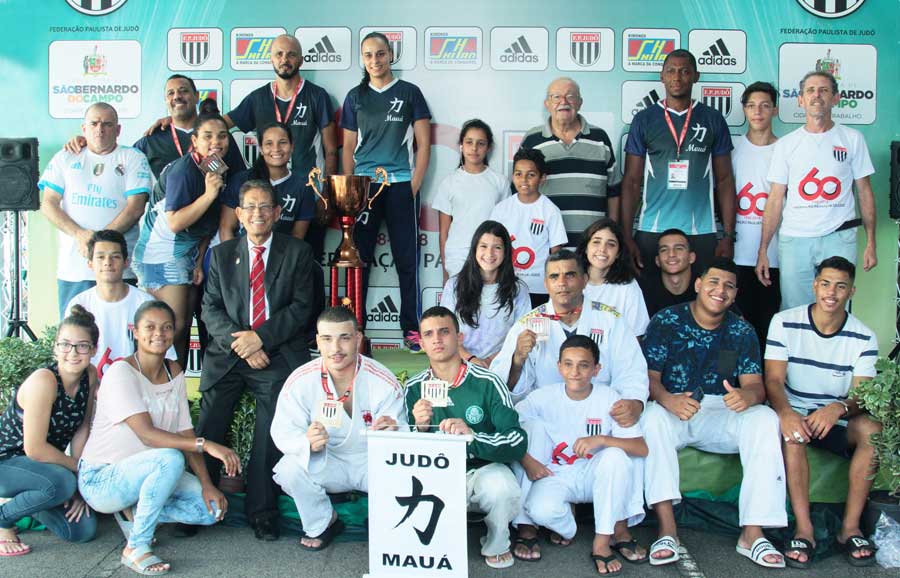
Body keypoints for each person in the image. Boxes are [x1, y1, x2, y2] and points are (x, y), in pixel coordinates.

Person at [491, 249, 649, 563]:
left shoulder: (609, 318)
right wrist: (518, 360)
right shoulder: (530, 323)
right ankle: (526, 524)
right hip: (549, 424)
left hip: (599, 417)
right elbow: (502, 389)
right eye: (554, 276)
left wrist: (634, 402)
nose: (562, 283)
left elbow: (633, 370)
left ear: (583, 279)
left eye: (570, 274)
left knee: (630, 432)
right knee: (527, 427)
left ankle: (619, 526)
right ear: (546, 284)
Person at [640, 257, 786, 569]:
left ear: (735, 294)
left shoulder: (741, 330)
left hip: (722, 409)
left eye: (729, 286)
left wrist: (747, 396)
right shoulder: (667, 320)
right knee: (651, 418)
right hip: (675, 407)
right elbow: (648, 379)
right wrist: (667, 399)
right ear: (698, 285)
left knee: (765, 418)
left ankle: (753, 532)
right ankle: (667, 530)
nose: (720, 290)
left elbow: (755, 386)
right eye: (714, 282)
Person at [78, 301, 240, 576]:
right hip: (102, 477)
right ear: (135, 332)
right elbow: (148, 435)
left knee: (210, 510)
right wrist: (207, 444)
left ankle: (135, 509)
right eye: (150, 327)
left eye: (166, 327)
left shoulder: (174, 370)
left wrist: (206, 483)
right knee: (169, 457)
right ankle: (136, 546)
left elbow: (184, 431)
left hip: (149, 472)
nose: (159, 334)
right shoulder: (121, 372)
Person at [197, 179, 316, 541]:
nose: (257, 213)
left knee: (271, 426)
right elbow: (210, 310)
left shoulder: (296, 252)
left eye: (265, 206)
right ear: (239, 214)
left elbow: (301, 308)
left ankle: (262, 511)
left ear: (278, 213)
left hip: (276, 353)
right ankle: (200, 503)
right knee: (210, 419)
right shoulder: (221, 255)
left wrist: (260, 339)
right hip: (230, 355)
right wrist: (245, 345)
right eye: (250, 206)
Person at [765, 256, 880, 568]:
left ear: (851, 292)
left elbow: (863, 394)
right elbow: (773, 381)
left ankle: (849, 528)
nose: (832, 292)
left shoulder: (864, 336)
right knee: (792, 435)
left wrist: (838, 408)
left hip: (835, 417)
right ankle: (805, 530)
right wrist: (786, 412)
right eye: (826, 283)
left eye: (841, 286)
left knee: (873, 431)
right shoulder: (784, 321)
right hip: (796, 411)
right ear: (815, 285)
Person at [271, 306, 405, 550]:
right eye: (327, 339)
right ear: (318, 343)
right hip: (326, 460)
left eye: (344, 338)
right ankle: (323, 522)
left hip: (369, 460)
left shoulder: (382, 379)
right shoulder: (301, 380)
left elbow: (402, 430)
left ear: (358, 340)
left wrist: (393, 430)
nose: (336, 348)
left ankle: (385, 521)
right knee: (289, 470)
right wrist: (306, 441)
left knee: (405, 472)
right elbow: (282, 431)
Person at [515, 336, 648, 574]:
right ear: (559, 366)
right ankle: (569, 525)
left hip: (594, 473)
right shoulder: (542, 396)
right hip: (556, 474)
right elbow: (510, 429)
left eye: (584, 365)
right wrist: (529, 461)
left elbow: (641, 448)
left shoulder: (609, 397)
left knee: (616, 456)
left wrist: (602, 440)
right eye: (568, 364)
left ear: (596, 369)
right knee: (540, 509)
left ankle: (602, 542)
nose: (575, 371)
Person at [407, 306, 526, 569]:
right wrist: (419, 428)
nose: (437, 339)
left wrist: (473, 437)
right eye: (429, 334)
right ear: (422, 343)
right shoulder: (413, 387)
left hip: (482, 469)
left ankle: (497, 542)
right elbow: (399, 453)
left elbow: (517, 441)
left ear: (459, 338)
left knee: (502, 489)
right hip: (436, 472)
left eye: (444, 331)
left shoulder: (488, 381)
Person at [756, 70, 877, 310]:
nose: (816, 96)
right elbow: (775, 199)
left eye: (823, 90)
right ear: (800, 100)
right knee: (794, 308)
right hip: (795, 238)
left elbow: (864, 191)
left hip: (839, 237)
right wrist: (763, 249)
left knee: (835, 306)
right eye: (810, 91)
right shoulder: (786, 145)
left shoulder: (852, 139)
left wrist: (871, 241)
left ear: (836, 98)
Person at [342, 31, 431, 352]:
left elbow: (423, 144)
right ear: (363, 60)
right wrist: (350, 189)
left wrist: (414, 184)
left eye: (380, 54)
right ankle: (356, 328)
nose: (375, 61)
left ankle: (411, 328)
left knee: (407, 260)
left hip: (400, 186)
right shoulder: (355, 96)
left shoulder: (409, 93)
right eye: (368, 55)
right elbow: (348, 146)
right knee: (358, 260)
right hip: (364, 187)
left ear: (390, 55)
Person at [132, 99, 237, 366]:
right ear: (195, 141)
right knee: (171, 333)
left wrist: (199, 259)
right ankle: (157, 395)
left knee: (181, 329)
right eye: (208, 136)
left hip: (187, 253)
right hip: (162, 255)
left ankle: (176, 398)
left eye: (222, 136)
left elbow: (206, 223)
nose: (217, 141)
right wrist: (211, 193)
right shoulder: (183, 170)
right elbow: (176, 222)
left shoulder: (215, 166)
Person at [620, 49, 736, 281]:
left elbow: (724, 180)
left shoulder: (712, 119)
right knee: (651, 301)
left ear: (696, 76)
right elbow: (631, 182)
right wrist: (626, 236)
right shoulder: (644, 119)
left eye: (684, 71)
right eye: (671, 71)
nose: (677, 77)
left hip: (701, 231)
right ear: (662, 77)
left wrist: (728, 235)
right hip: (652, 229)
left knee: (699, 301)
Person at [0, 307, 99, 556]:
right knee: (63, 482)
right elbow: (34, 448)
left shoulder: (90, 375)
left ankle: (30, 501)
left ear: (94, 350)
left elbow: (82, 428)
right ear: (55, 347)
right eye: (65, 344)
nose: (73, 353)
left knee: (82, 530)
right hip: (7, 462)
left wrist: (81, 486)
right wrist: (76, 471)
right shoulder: (44, 380)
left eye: (82, 346)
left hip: (41, 469)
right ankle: (3, 520)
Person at [39, 102, 150, 318]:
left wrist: (98, 244)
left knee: (121, 337)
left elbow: (135, 208)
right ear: (84, 128)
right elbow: (48, 204)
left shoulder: (133, 158)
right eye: (94, 123)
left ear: (118, 130)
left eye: (107, 124)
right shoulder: (66, 156)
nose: (100, 129)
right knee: (76, 338)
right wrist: (80, 235)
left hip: (118, 268)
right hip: (75, 269)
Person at [521, 77, 620, 247]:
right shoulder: (532, 140)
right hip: (546, 245)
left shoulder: (600, 139)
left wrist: (612, 234)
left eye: (570, 96)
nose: (563, 102)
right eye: (556, 97)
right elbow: (521, 191)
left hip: (593, 248)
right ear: (547, 104)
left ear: (580, 102)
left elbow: (614, 192)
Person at [66, 229, 175, 379]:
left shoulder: (145, 304)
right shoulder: (79, 304)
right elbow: (69, 360)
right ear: (90, 264)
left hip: (137, 387)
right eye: (100, 257)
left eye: (115, 257)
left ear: (126, 262)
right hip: (92, 389)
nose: (107, 263)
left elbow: (166, 359)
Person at [439, 220, 531, 368]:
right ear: (474, 249)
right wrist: (471, 359)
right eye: (483, 246)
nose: (489, 253)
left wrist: (490, 361)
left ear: (506, 252)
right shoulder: (454, 285)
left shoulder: (518, 289)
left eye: (497, 247)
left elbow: (521, 335)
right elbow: (444, 330)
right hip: (460, 364)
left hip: (502, 364)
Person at [732, 82, 781, 350]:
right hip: (739, 253)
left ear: (774, 110)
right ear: (744, 110)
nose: (758, 112)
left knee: (769, 323)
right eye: (751, 106)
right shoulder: (732, 149)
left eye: (764, 105)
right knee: (739, 324)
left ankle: (767, 384)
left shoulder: (786, 148)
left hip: (774, 256)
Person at [489, 148, 567, 308]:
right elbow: (492, 245)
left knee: (538, 330)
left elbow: (556, 254)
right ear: (512, 176)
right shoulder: (501, 209)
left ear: (542, 178)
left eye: (531, 175)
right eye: (518, 174)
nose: (524, 180)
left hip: (539, 288)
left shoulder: (550, 210)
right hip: (507, 285)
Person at [433, 119, 509, 282]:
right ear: (461, 145)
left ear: (488, 147)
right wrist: (445, 271)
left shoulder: (499, 182)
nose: (474, 148)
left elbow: (506, 227)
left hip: (490, 257)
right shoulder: (449, 183)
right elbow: (444, 232)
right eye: (469, 142)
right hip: (458, 257)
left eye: (480, 143)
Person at [220, 123, 317, 241]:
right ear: (260, 148)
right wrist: (234, 258)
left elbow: (297, 237)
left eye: (282, 142)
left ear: (292, 146)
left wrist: (280, 259)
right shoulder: (240, 180)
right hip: (244, 256)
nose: (276, 149)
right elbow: (226, 228)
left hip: (284, 257)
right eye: (269, 143)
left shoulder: (303, 186)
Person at [576, 218, 650, 337]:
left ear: (618, 253)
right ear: (586, 248)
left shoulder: (628, 286)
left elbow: (637, 335)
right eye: (596, 242)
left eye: (610, 244)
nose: (602, 249)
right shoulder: (571, 281)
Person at [641, 228, 697, 318]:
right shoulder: (643, 292)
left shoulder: (704, 291)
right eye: (664, 250)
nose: (671, 254)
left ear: (691, 257)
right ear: (657, 260)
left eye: (679, 248)